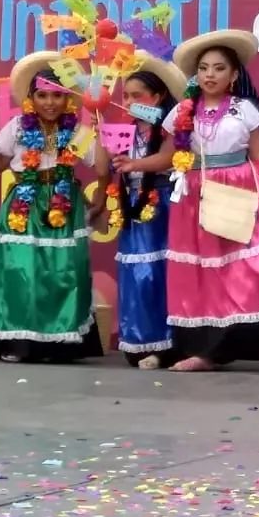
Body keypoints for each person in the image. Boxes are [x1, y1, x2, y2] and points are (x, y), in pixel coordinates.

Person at [117, 30, 259, 374]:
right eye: (204, 68)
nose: (210, 75)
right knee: (204, 279)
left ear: (233, 74)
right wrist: (135, 164)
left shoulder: (243, 109)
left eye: (219, 68)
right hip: (193, 197)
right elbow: (166, 157)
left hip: (236, 190)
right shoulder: (181, 112)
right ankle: (206, 353)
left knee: (254, 268)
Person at [0, 52, 104, 364]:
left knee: (60, 273)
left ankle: (58, 345)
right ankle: (20, 343)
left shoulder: (77, 132)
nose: (50, 103)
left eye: (57, 95)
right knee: (21, 272)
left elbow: (101, 167)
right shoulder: (17, 127)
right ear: (31, 98)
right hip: (23, 206)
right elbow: (0, 162)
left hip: (63, 205)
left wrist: (101, 200)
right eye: (42, 95)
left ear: (67, 98)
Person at [102, 54, 186, 368]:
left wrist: (135, 164)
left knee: (159, 274)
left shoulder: (170, 127)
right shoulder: (121, 130)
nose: (130, 101)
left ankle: (169, 344)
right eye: (126, 95)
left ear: (159, 96)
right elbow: (103, 168)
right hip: (133, 209)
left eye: (138, 96)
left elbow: (167, 159)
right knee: (136, 276)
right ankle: (139, 341)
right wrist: (100, 125)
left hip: (163, 205)